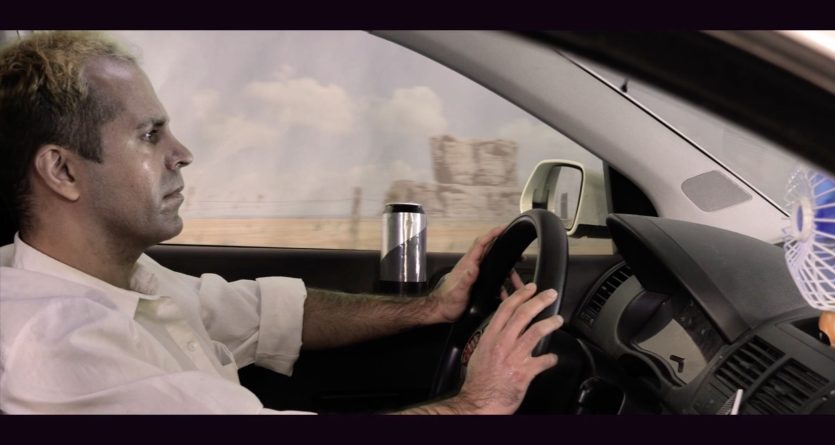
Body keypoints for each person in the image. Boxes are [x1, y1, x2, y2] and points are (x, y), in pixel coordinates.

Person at [0, 31, 563, 414]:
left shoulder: (129, 278)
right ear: (62, 171)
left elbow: (269, 314)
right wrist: (478, 404)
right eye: (150, 135)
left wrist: (429, 307)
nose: (183, 153)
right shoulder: (57, 347)